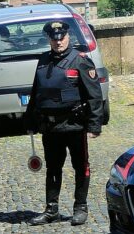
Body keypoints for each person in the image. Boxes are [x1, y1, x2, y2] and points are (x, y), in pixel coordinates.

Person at [24, 20, 104, 226]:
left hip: (75, 125)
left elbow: (94, 96)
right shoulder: (43, 61)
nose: (58, 42)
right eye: (54, 38)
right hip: (50, 127)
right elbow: (36, 93)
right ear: (49, 39)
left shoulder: (80, 61)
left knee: (80, 167)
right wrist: (30, 119)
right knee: (52, 168)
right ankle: (51, 210)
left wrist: (94, 126)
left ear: (68, 37)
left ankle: (80, 208)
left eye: (61, 38)